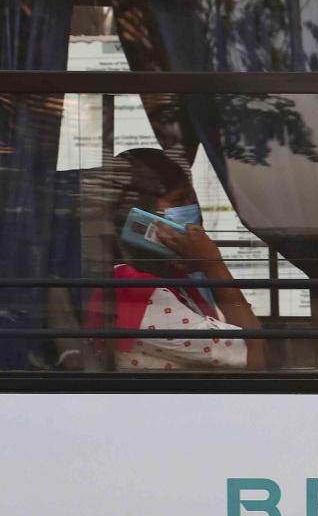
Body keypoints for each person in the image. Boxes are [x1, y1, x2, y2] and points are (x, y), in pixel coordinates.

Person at [85, 148, 267, 370]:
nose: (188, 210)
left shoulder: (170, 279)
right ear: (139, 216)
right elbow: (255, 357)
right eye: (178, 200)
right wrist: (213, 265)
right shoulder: (141, 293)